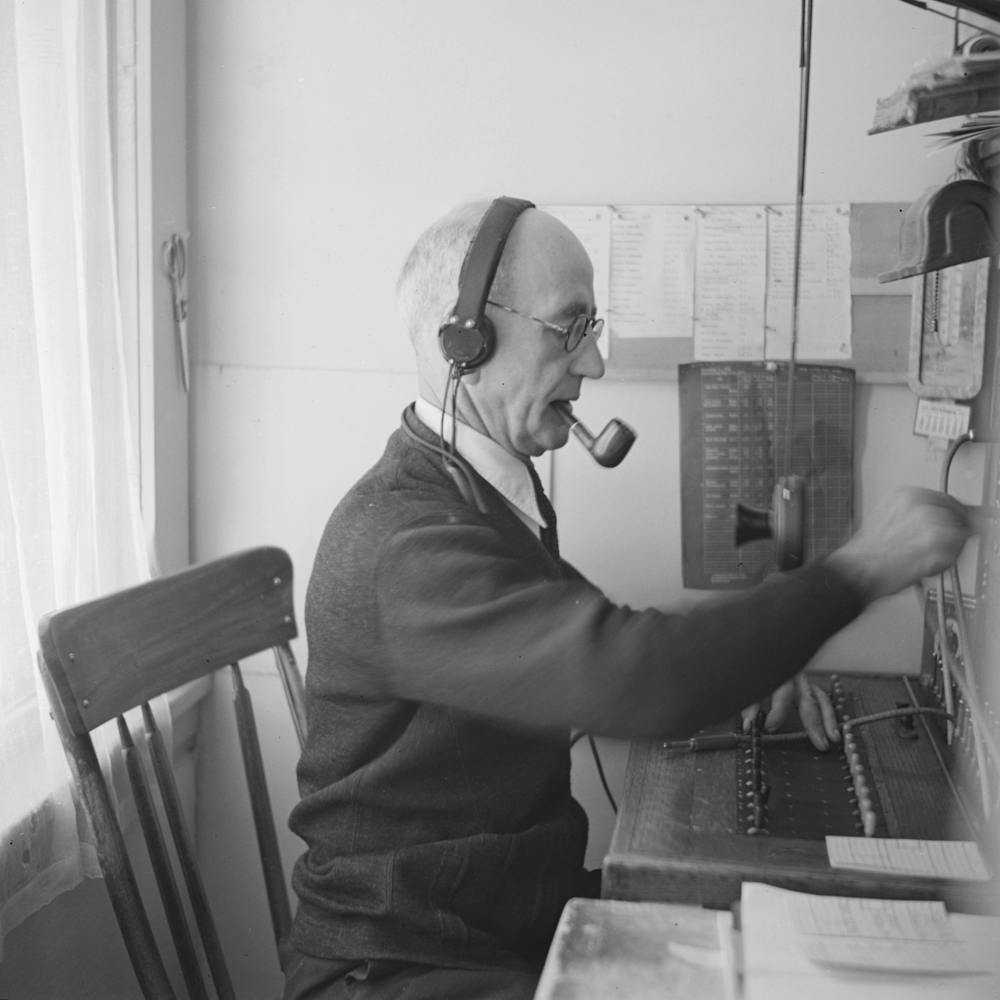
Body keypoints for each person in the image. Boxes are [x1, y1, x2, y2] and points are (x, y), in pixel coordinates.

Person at [282, 198, 971, 1000]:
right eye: (569, 328)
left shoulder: (475, 492)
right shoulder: (406, 541)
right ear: (464, 341)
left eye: (593, 327)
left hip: (493, 928)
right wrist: (863, 567)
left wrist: (743, 672)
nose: (595, 363)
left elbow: (610, 641)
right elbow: (637, 676)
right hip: (401, 967)